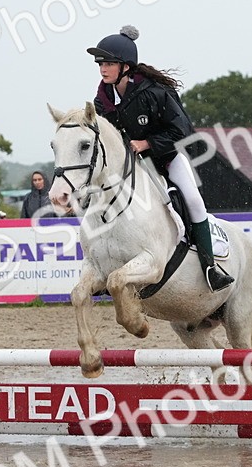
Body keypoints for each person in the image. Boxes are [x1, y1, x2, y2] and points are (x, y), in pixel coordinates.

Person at [86, 25, 234, 291]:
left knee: (194, 201)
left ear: (126, 66)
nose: (102, 69)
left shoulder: (154, 92)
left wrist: (147, 143)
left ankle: (210, 267)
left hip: (165, 157)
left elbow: (183, 129)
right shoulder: (103, 97)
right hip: (130, 164)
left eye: (108, 63)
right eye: (100, 64)